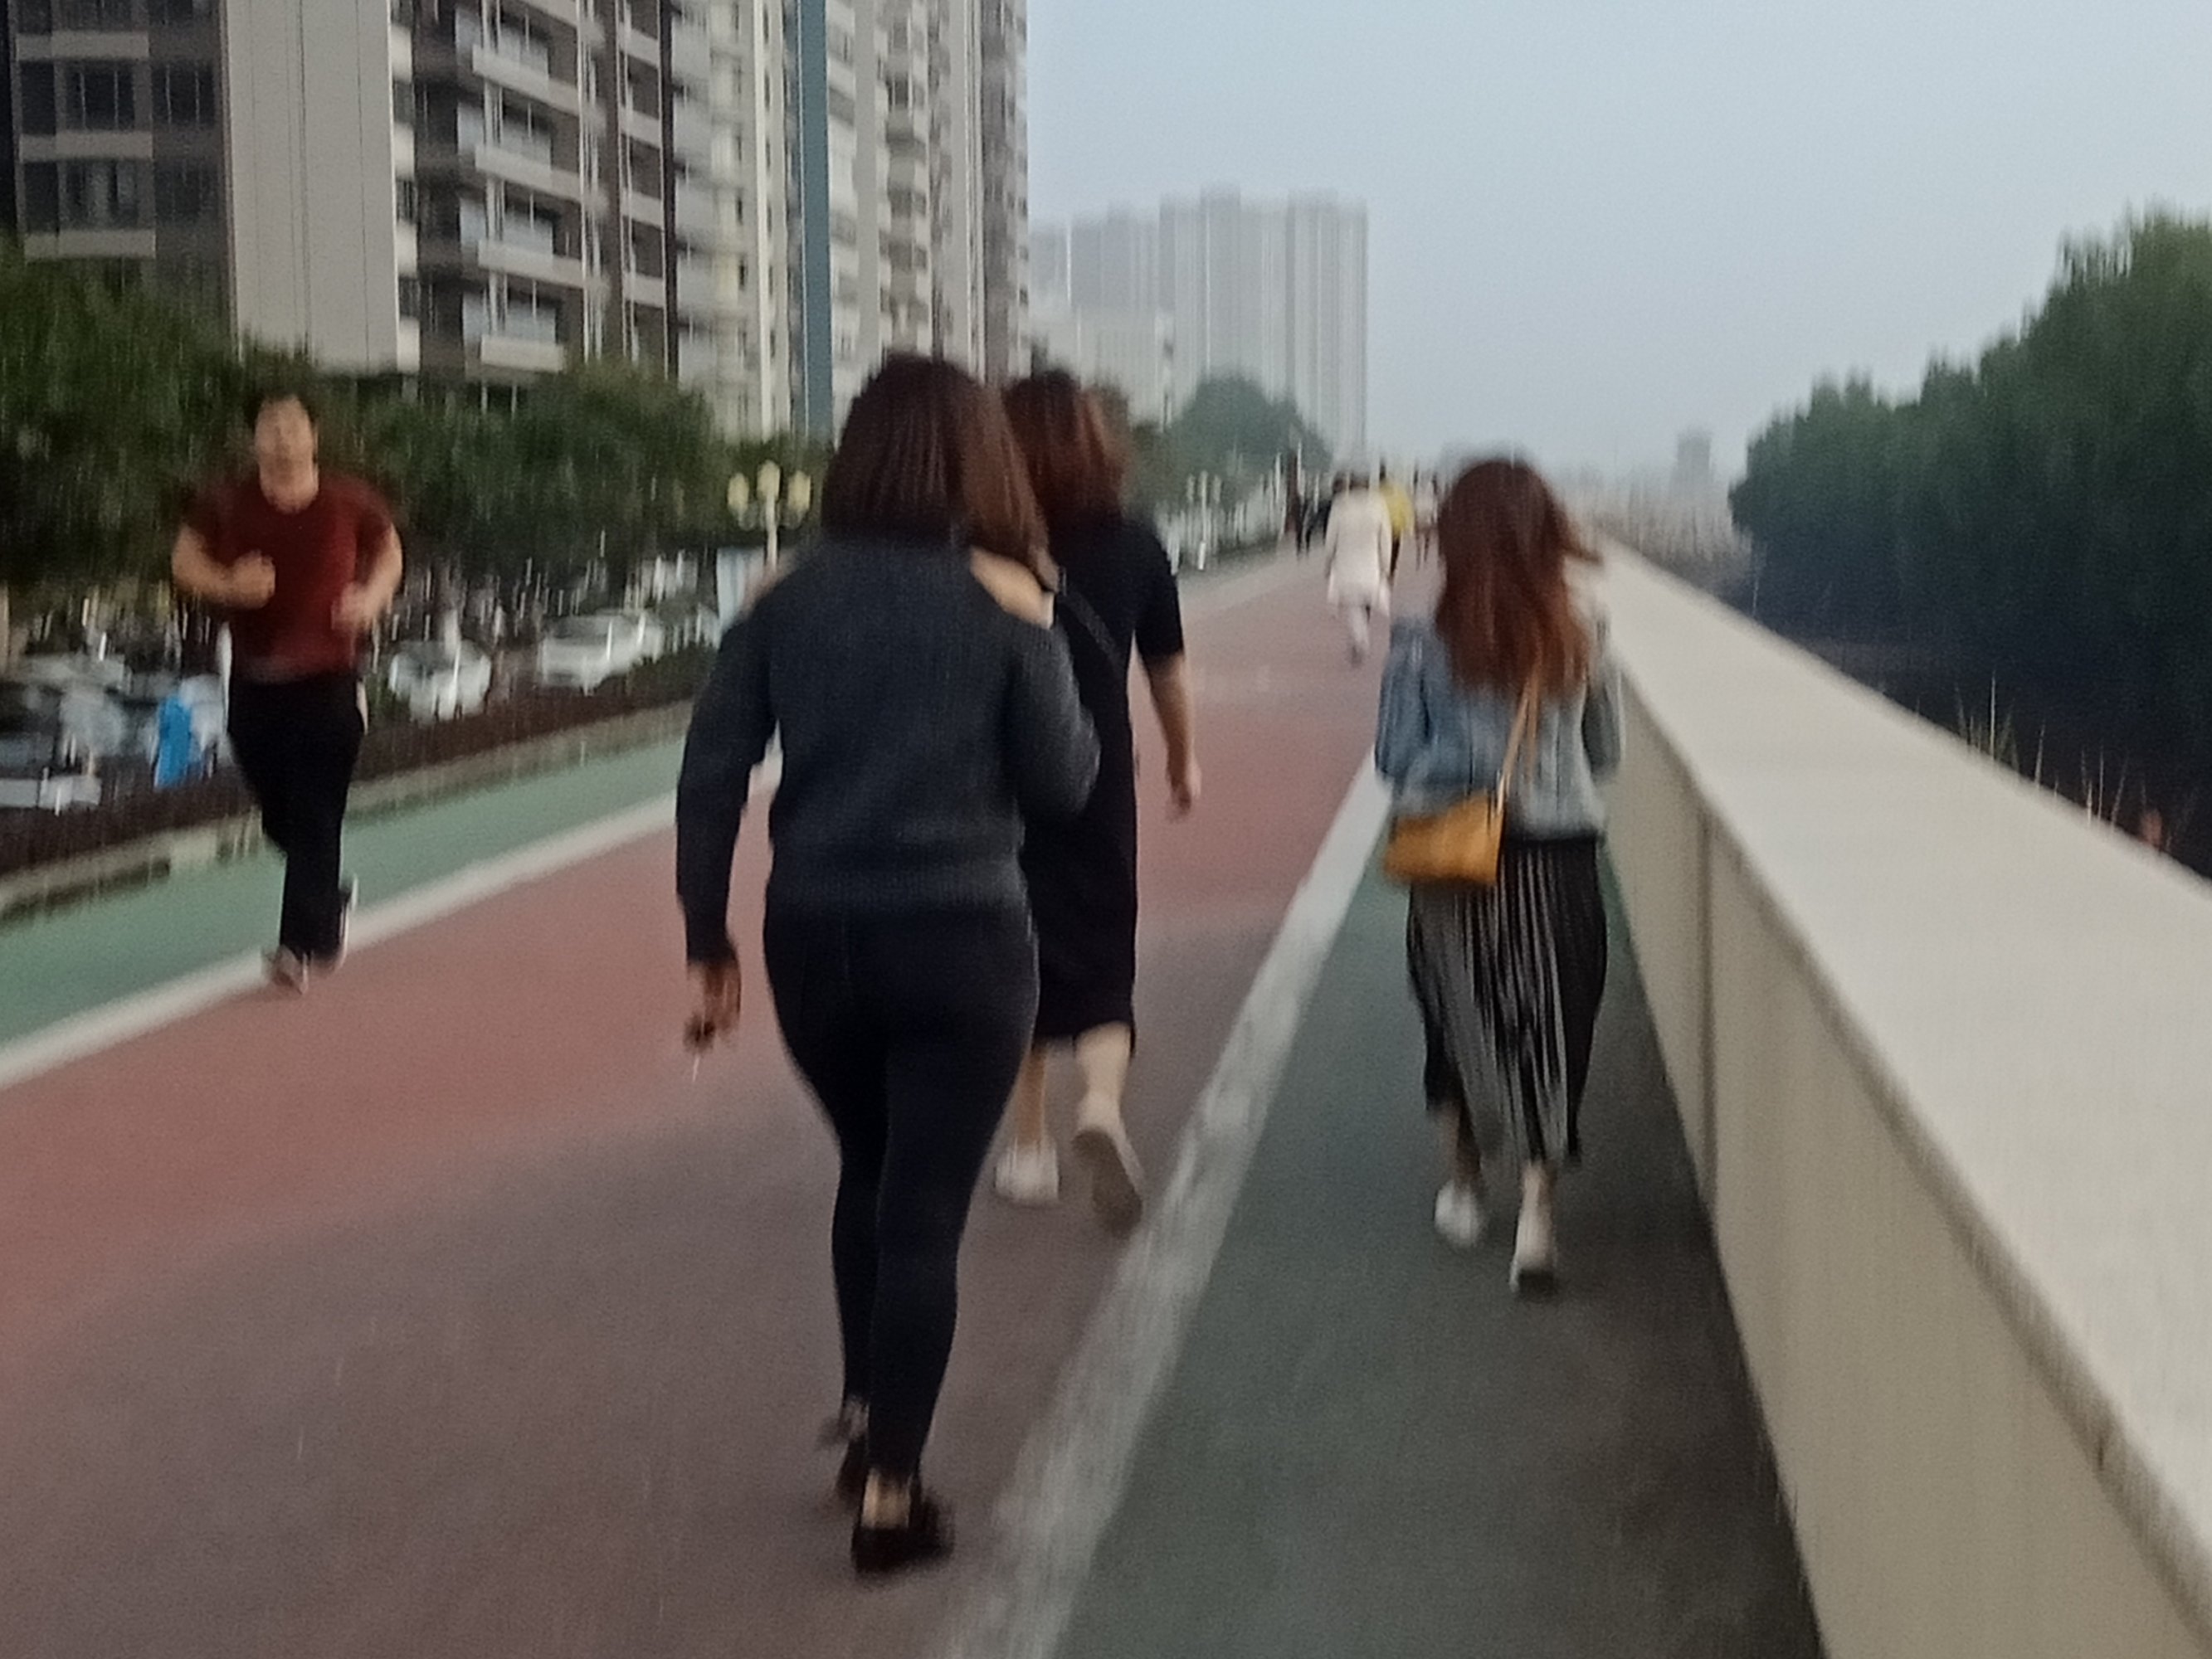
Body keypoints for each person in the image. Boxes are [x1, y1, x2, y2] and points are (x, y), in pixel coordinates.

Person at [675, 355, 1099, 1578]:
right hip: (962, 936)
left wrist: (706, 939)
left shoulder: (783, 599)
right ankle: (892, 1496)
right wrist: (1040, 628)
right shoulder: (1003, 600)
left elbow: (711, 774)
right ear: (980, 461)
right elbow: (1063, 783)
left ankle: (867, 1413)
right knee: (922, 1213)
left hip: (814, 934)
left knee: (866, 1169)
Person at [1374, 459, 1621, 1295]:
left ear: (1453, 539)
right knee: (1551, 1025)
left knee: (1455, 1018)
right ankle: (1537, 1217)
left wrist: (1461, 768)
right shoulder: (1581, 630)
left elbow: (1392, 757)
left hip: (1453, 860)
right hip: (1558, 857)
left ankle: (1464, 1187)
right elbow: (1604, 752)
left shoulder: (1419, 641)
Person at [992, 371, 1201, 1233]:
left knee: (1015, 942)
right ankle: (1102, 1105)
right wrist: (1183, 760)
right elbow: (1167, 670)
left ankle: (1029, 1146)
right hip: (1098, 765)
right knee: (1103, 940)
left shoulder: (985, 544)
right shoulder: (1135, 543)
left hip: (999, 769)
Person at [171, 387, 404, 990]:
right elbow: (185, 562)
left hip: (330, 678)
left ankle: (296, 949)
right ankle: (328, 899)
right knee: (280, 814)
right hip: (255, 680)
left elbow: (388, 552)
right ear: (254, 439)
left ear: (314, 435)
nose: (282, 437)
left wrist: (371, 598)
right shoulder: (226, 502)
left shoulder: (348, 500)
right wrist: (229, 584)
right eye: (270, 427)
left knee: (317, 810)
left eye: (293, 425)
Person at [1323, 473, 1394, 662]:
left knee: (1354, 606)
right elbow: (1385, 538)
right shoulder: (1378, 505)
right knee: (1366, 602)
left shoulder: (1340, 505)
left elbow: (1331, 538)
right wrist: (1386, 565)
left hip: (1346, 564)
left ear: (1350, 485)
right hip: (1371, 564)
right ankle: (1360, 636)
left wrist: (1328, 563)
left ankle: (1360, 640)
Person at [1378, 465, 1415, 581]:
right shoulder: (1399, 491)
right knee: (1394, 552)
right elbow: (1406, 509)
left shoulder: (1376, 492)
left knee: (1380, 550)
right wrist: (1408, 526)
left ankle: (1383, 572)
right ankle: (1391, 572)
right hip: (1395, 527)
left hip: (1381, 527)